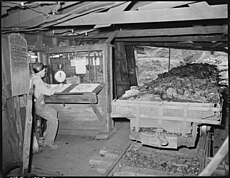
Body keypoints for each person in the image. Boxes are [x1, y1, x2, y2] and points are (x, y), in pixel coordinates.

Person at [31, 62, 58, 150]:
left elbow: (44, 86)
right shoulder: (37, 81)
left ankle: (47, 134)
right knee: (54, 120)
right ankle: (49, 142)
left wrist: (49, 86)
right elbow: (49, 92)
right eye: (44, 71)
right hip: (38, 106)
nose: (45, 72)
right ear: (40, 71)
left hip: (39, 104)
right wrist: (57, 88)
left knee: (54, 112)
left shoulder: (35, 78)